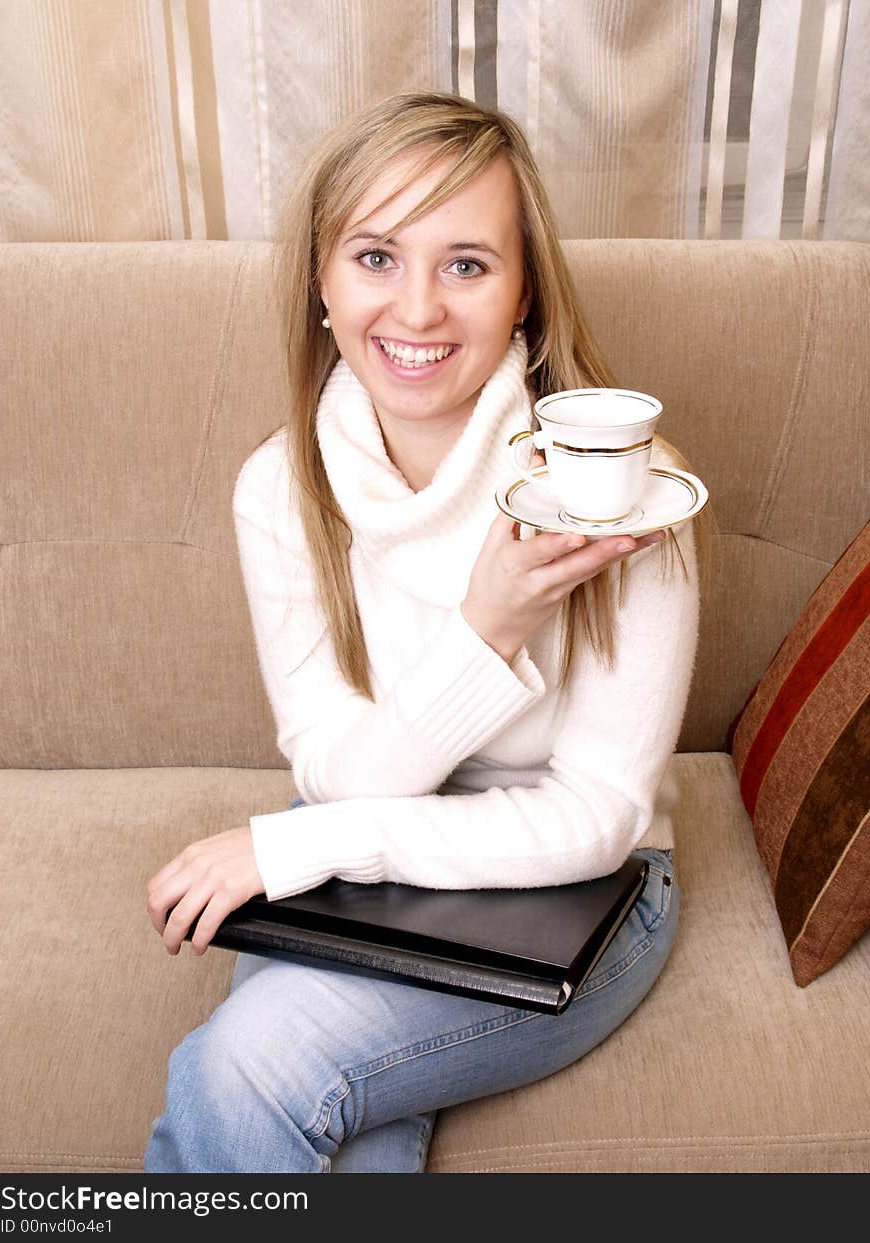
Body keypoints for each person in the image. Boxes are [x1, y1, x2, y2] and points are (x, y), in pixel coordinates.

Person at [144, 91, 703, 1174]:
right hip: (370, 847)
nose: (417, 311)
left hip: (584, 894)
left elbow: (597, 817)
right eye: (374, 256)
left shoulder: (634, 498)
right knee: (325, 1136)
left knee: (244, 1066)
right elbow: (330, 762)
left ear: (524, 290)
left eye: (465, 264)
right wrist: (483, 632)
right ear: (320, 277)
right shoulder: (280, 488)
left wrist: (309, 843)